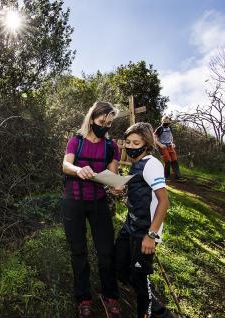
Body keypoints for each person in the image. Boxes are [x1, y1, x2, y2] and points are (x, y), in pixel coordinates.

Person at [62, 101, 122, 318]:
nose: (105, 126)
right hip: (74, 201)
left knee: (106, 251)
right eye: (101, 121)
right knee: (78, 251)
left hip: (98, 203)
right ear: (92, 119)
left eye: (109, 123)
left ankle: (111, 297)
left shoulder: (111, 146)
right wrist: (79, 169)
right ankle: (83, 299)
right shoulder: (76, 141)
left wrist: (117, 187)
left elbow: (113, 176)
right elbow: (66, 165)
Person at [115, 122, 173, 318]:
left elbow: (164, 201)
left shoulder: (151, 164)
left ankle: (152, 312)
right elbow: (141, 194)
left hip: (145, 232)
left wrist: (151, 235)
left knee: (140, 279)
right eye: (128, 142)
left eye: (136, 142)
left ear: (146, 143)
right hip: (129, 227)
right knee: (120, 267)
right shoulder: (136, 165)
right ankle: (150, 298)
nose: (130, 146)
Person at [154, 116, 182, 180]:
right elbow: (154, 138)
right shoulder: (159, 129)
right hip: (163, 147)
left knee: (174, 160)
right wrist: (160, 145)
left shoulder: (170, 128)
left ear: (169, 121)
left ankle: (178, 176)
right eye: (164, 121)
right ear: (162, 121)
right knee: (168, 161)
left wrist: (172, 143)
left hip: (170, 146)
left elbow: (171, 137)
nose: (166, 122)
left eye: (167, 121)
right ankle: (166, 177)